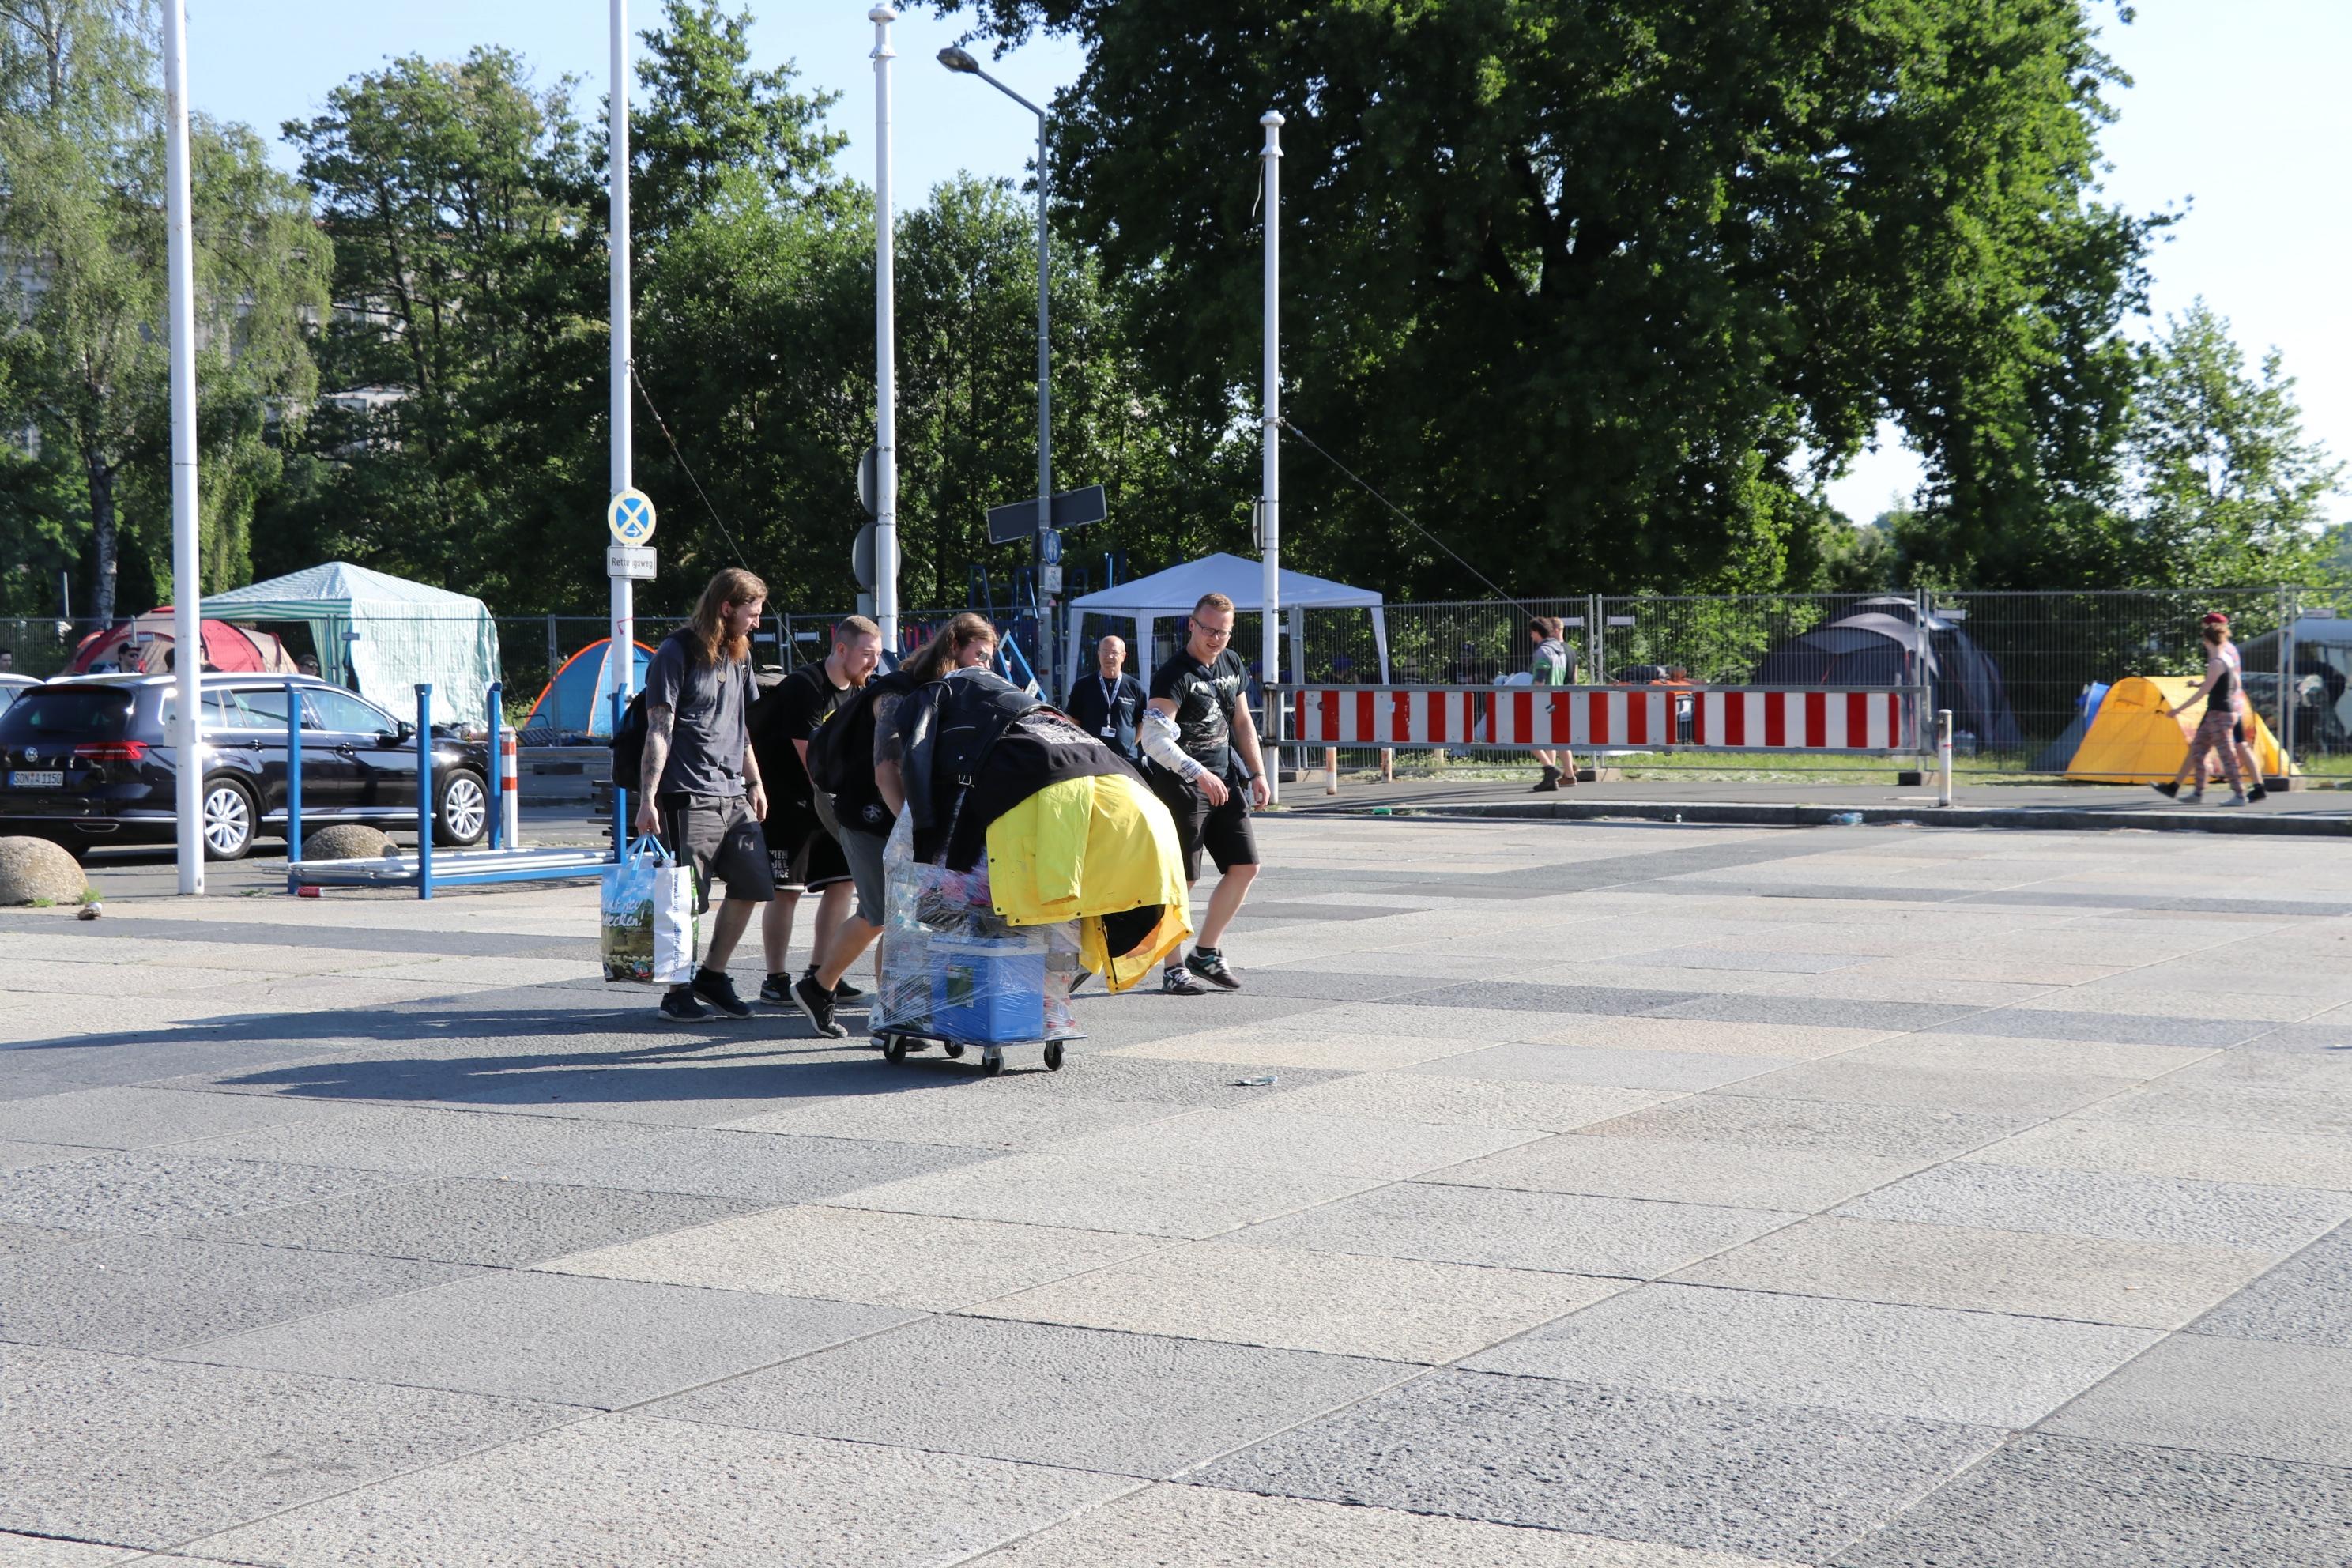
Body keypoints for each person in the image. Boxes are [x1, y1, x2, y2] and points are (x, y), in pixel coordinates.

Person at [797, 612, 1001, 1038]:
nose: (985, 666)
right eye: (979, 655)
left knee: (898, 914)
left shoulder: (943, 693)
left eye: (990, 659)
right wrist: (918, 831)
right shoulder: (896, 695)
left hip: (896, 813)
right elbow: (886, 772)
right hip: (865, 813)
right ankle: (821, 988)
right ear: (954, 645)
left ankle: (889, 1011)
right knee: (882, 913)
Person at [635, 568, 775, 1022]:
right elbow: (659, 729)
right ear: (726, 607)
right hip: (686, 795)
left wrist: (754, 782)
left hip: (732, 793)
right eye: (751, 612)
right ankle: (677, 991)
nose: (756, 621)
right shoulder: (676, 652)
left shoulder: (740, 654)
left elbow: (741, 726)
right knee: (685, 898)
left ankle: (712, 976)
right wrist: (647, 799)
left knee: (754, 883)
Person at [1140, 591, 1270, 993]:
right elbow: (1153, 741)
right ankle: (1173, 965)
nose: (1216, 639)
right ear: (1192, 625)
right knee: (1182, 881)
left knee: (1245, 866)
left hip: (1225, 780)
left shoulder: (1231, 663)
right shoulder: (1173, 675)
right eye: (1209, 629)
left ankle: (1206, 953)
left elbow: (1242, 721)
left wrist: (1258, 772)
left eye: (1224, 632)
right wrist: (1197, 774)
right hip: (1182, 786)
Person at [750, 617, 879, 1008]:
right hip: (792, 802)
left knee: (841, 885)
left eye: (877, 654)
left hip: (834, 803)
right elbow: (812, 760)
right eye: (866, 653)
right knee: (785, 891)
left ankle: (822, 973)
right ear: (841, 650)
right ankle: (775, 979)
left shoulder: (858, 691)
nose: (873, 662)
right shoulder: (805, 687)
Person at [2156, 612, 2252, 807]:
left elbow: (2205, 691)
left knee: (2227, 755)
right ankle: (2198, 793)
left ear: (2207, 640)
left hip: (2221, 715)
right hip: (2215, 714)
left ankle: (2240, 795)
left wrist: (2178, 709)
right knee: (2198, 752)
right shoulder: (2225, 660)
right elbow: (2226, 684)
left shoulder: (2217, 663)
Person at [1064, 634, 1146, 762]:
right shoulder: (1083, 685)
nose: (1109, 656)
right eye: (1105, 651)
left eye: (1114, 652)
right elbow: (1073, 721)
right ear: (1098, 654)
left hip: (1126, 759)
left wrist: (1130, 745)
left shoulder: (1135, 687)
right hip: (1090, 758)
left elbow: (1142, 722)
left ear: (1123, 656)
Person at [1528, 616, 1577, 792]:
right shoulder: (1560, 651)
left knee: (1527, 736)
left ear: (1537, 632)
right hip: (1557, 699)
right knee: (1554, 739)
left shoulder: (1543, 652)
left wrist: (1531, 696)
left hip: (1543, 700)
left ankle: (1550, 769)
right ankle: (1558, 777)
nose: (1531, 637)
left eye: (1532, 633)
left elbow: (1539, 680)